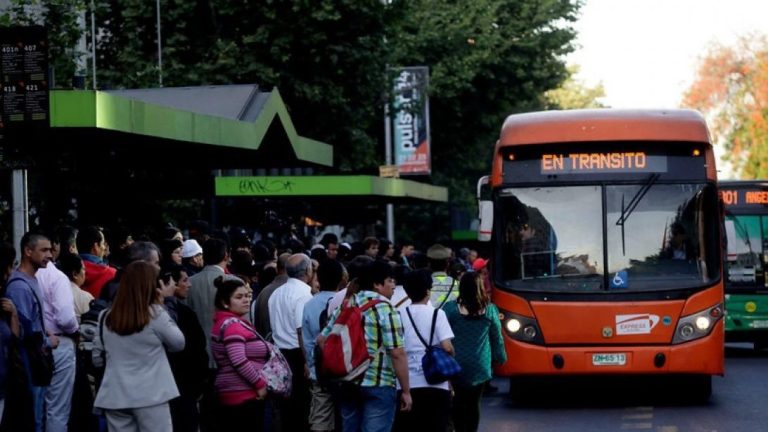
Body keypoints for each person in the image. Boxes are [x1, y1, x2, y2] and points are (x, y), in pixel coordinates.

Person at [318, 259, 412, 432]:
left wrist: (342, 363)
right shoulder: (385, 309)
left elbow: (322, 340)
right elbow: (397, 353)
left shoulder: (347, 305)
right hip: (379, 383)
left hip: (347, 382)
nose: (393, 285)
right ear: (377, 284)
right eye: (390, 280)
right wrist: (406, 391)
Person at [92, 261, 185, 432]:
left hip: (115, 394)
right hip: (152, 394)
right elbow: (178, 343)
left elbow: (97, 358)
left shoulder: (106, 316)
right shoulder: (155, 314)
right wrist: (163, 303)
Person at [443, 272, 506, 432]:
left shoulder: (450, 309)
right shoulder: (490, 310)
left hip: (455, 363)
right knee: (473, 404)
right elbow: (496, 338)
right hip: (480, 365)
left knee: (457, 402)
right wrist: (500, 358)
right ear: (480, 288)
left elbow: (441, 336)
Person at [393, 269, 454, 432]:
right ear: (428, 290)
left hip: (406, 384)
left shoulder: (398, 314)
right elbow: (447, 347)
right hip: (436, 382)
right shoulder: (437, 314)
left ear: (406, 291)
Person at [210, 275, 268, 431]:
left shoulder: (228, 322)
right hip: (242, 394)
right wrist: (260, 384)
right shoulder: (232, 325)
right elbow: (238, 360)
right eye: (239, 297)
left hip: (238, 392)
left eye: (247, 296)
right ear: (225, 302)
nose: (246, 300)